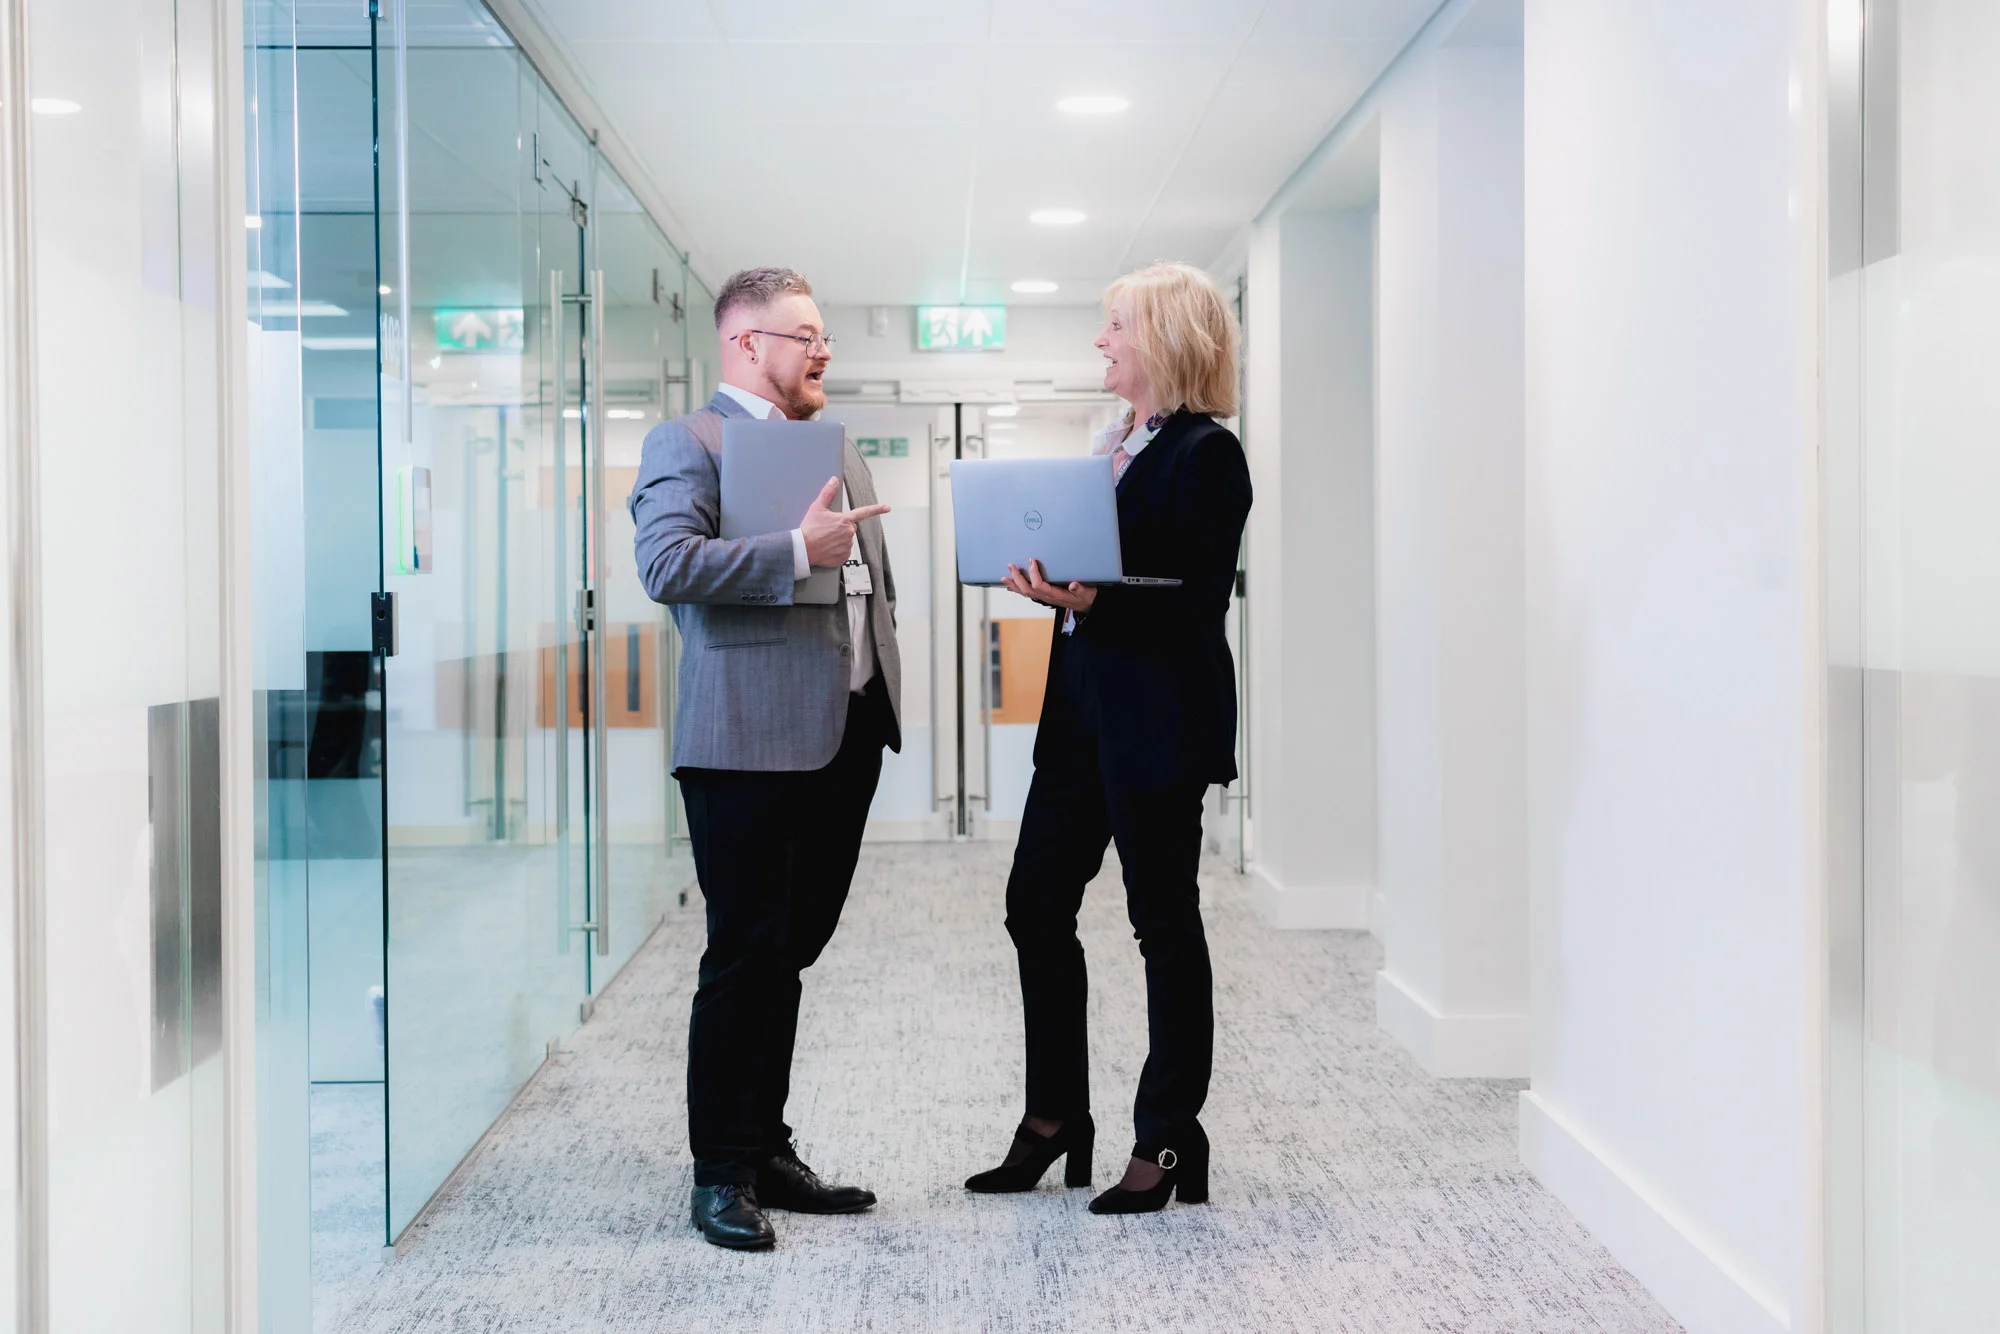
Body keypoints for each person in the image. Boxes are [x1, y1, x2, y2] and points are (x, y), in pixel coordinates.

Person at [964, 261, 1252, 1214]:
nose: (1102, 340)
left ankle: (1170, 1139)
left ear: (1163, 338)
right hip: (1082, 714)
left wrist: (1090, 596)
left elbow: (1196, 602)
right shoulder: (1113, 444)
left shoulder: (1208, 454)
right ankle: (1056, 1120)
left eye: (1115, 325)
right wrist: (1056, 586)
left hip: (1159, 720)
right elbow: (1107, 581)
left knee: (1162, 925)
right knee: (1034, 905)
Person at [629, 266, 901, 1251]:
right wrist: (793, 549)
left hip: (844, 731)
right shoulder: (687, 441)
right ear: (747, 343)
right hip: (742, 740)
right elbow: (666, 565)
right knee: (743, 951)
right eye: (805, 334)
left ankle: (764, 1144)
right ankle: (718, 1171)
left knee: (793, 948)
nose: (822, 349)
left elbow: (869, 581)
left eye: (823, 333)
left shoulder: (831, 444)